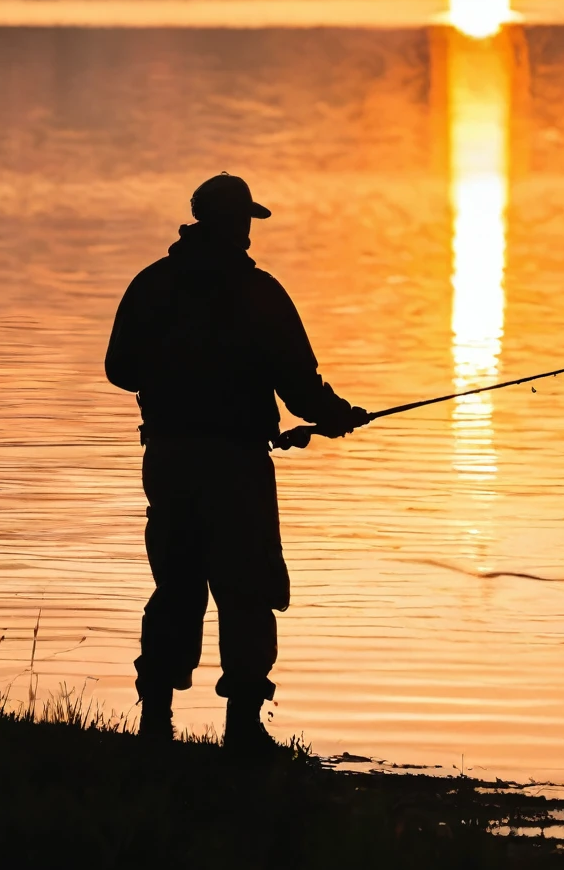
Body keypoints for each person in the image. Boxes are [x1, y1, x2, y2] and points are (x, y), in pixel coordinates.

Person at [105, 172, 368, 754]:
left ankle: (156, 722)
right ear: (239, 223)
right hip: (237, 467)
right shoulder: (260, 292)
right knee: (247, 588)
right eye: (246, 219)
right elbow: (300, 387)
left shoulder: (153, 283)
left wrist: (173, 379)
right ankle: (243, 729)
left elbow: (119, 369)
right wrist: (339, 414)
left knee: (176, 585)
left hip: (169, 458)